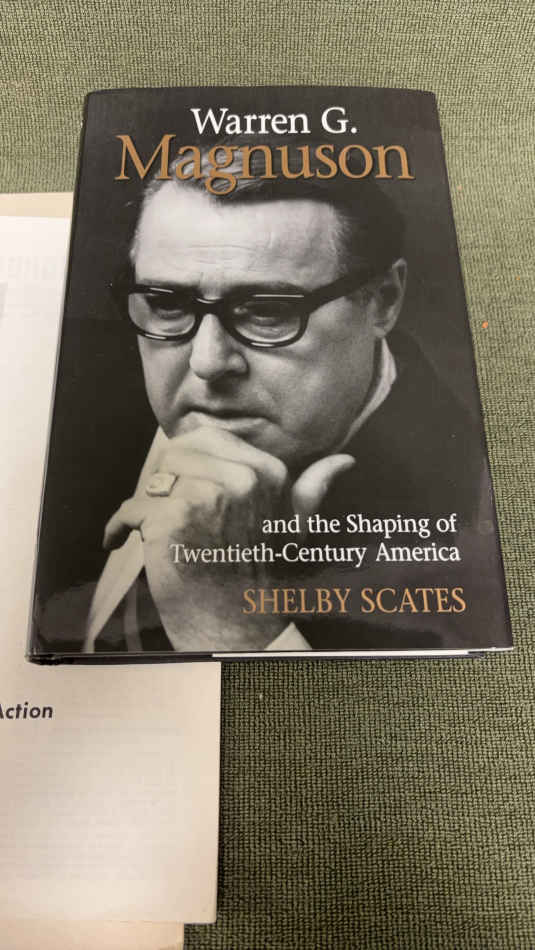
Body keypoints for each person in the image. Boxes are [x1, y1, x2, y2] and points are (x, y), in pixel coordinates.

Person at [79, 140, 485, 654]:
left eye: (268, 310)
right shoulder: (70, 400)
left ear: (383, 300)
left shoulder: (473, 508)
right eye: (167, 303)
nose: (207, 362)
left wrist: (228, 626)